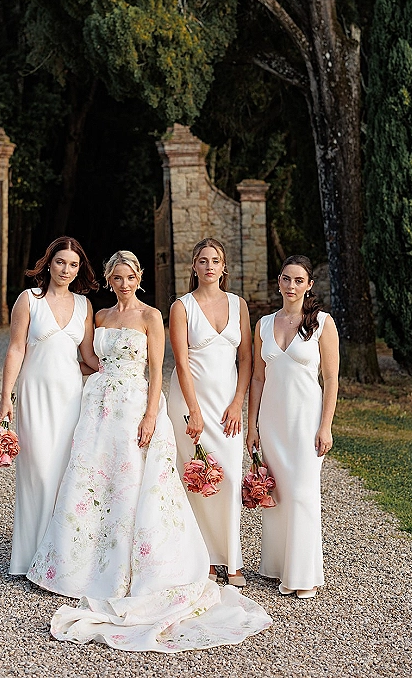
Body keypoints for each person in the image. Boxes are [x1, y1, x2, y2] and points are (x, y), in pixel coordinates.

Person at [27, 250, 271, 652]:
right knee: (93, 483)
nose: (124, 283)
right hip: (98, 408)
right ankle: (84, 565)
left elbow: (158, 369)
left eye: (130, 276)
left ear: (140, 278)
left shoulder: (150, 316)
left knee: (132, 484)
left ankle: (141, 565)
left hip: (135, 407)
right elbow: (87, 359)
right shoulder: (100, 317)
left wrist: (151, 414)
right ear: (109, 280)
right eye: (117, 277)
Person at [0, 236, 99, 576]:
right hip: (34, 395)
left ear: (79, 268)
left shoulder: (85, 308)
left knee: (62, 474)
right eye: (60, 262)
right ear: (49, 263)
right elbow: (15, 350)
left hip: (70, 399)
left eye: (73, 264)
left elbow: (87, 359)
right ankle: (28, 557)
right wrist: (5, 400)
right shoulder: (29, 300)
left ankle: (58, 558)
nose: (66, 270)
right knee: (38, 472)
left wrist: (124, 371)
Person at [246, 254, 339, 599]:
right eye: (286, 279)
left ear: (309, 285)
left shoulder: (323, 324)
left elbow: (330, 379)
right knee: (279, 494)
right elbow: (257, 377)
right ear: (279, 281)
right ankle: (276, 566)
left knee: (302, 494)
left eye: (299, 280)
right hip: (271, 420)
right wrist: (252, 424)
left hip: (305, 419)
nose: (291, 286)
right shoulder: (263, 325)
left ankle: (303, 574)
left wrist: (325, 426)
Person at [168, 238, 251, 586]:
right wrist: (194, 410)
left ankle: (231, 560)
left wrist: (237, 403)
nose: (209, 266)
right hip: (190, 402)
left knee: (229, 477)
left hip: (227, 405)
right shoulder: (181, 307)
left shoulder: (239, 304)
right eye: (202, 260)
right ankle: (203, 558)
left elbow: (246, 359)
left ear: (224, 266)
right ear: (194, 267)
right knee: (196, 478)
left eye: (215, 260)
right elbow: (182, 364)